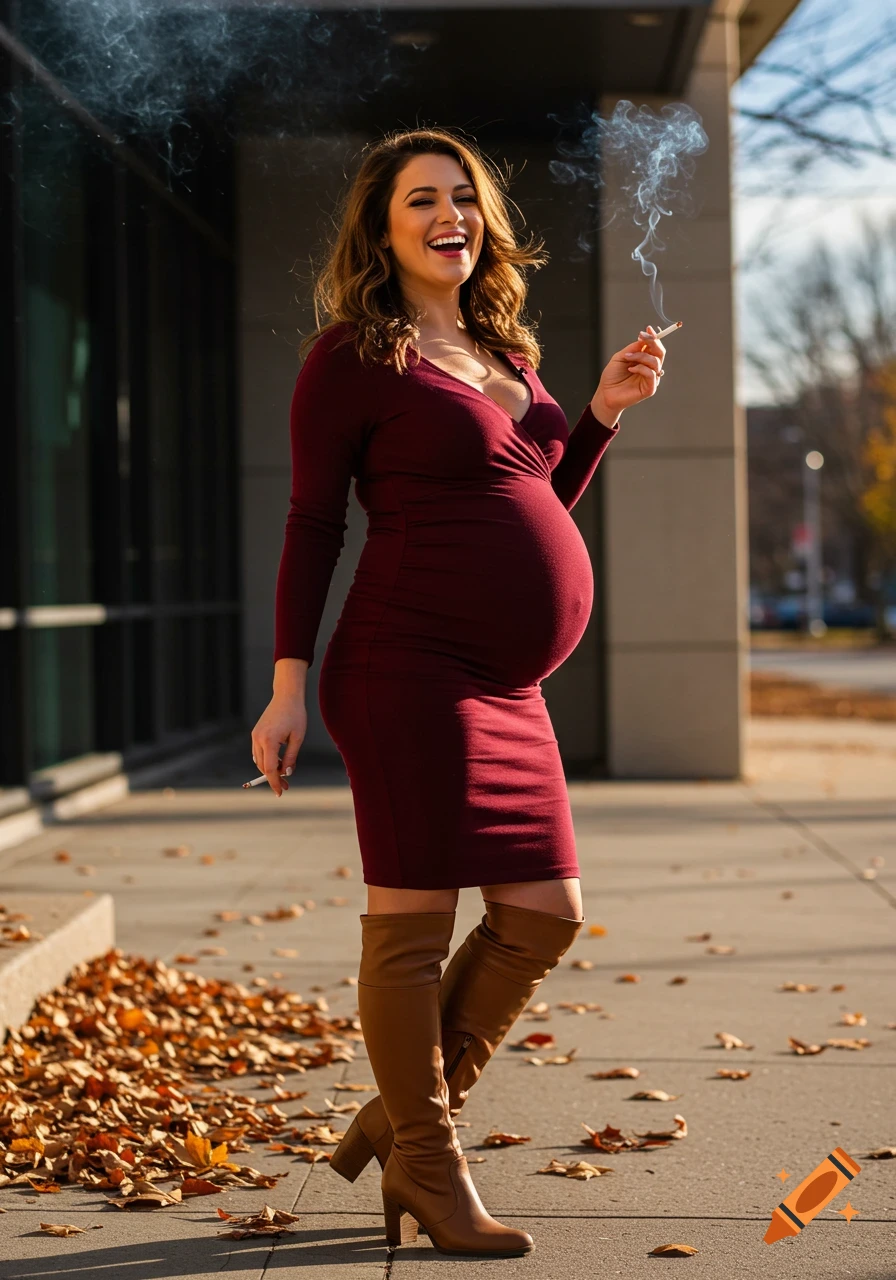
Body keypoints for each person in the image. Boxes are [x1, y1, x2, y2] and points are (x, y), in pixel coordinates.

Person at [251, 126, 666, 1259]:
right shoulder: (349, 359)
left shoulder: (502, 351)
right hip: (405, 668)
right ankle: (431, 1171)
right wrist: (286, 687)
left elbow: (528, 494)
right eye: (422, 199)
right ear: (383, 232)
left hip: (503, 686)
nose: (453, 214)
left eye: (465, 198)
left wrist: (597, 416)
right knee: (411, 926)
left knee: (544, 911)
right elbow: (309, 526)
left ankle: (396, 1124)